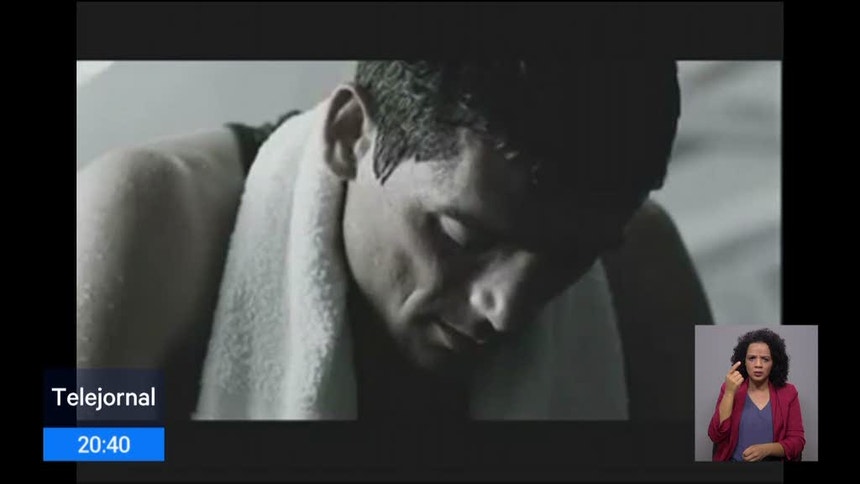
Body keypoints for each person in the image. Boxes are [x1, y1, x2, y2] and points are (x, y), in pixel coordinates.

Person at [76, 61, 713, 420]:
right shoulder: (144, 215)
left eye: (570, 259)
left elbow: (764, 445)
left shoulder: (646, 256)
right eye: (463, 236)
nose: (507, 308)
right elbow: (76, 446)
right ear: (350, 133)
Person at [708, 328, 805, 461]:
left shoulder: (788, 392)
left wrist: (767, 449)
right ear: (743, 361)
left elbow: (797, 441)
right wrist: (729, 393)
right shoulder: (729, 388)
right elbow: (716, 436)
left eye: (765, 359)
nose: (758, 365)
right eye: (752, 358)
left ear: (774, 363)